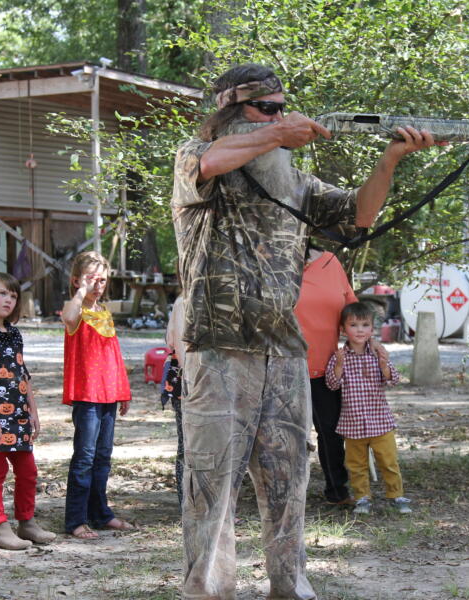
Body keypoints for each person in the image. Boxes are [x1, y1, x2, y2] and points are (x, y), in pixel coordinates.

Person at [172, 63, 443, 599]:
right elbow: (209, 162)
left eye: (282, 107)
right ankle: (206, 592)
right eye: (266, 108)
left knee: (289, 485)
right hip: (219, 349)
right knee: (210, 487)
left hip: (284, 353)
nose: (280, 117)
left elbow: (360, 215)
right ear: (231, 111)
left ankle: (290, 587)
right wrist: (277, 131)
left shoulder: (294, 184)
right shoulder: (195, 157)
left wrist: (391, 158)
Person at [0, 272, 57, 550]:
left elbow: (22, 374)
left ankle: (26, 522)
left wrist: (34, 410)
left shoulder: (14, 334)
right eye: (2, 293)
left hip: (17, 416)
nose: (8, 300)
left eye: (13, 296)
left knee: (28, 470)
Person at [62, 251, 134, 539]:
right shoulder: (76, 311)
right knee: (85, 457)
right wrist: (81, 291)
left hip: (108, 395)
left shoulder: (104, 312)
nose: (98, 284)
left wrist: (123, 390)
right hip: (87, 395)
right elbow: (68, 316)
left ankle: (100, 513)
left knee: (103, 456)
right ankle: (76, 520)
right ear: (77, 279)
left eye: (102, 279)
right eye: (92, 279)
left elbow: (114, 355)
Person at [325, 301, 410, 515]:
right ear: (343, 330)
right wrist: (337, 366)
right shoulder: (339, 356)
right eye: (353, 325)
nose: (360, 330)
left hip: (380, 422)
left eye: (365, 325)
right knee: (356, 465)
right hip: (353, 424)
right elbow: (332, 384)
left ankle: (396, 495)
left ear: (372, 329)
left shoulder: (378, 353)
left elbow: (393, 380)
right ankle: (362, 497)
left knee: (389, 462)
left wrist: (384, 364)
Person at [293, 245, 357, 506]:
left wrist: (369, 344)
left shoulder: (330, 262)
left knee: (330, 431)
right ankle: (281, 495)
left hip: (325, 368)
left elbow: (352, 312)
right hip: (280, 370)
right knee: (281, 435)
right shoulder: (271, 258)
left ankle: (337, 492)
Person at [162, 294, 186, 508]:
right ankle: (188, 503)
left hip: (210, 383)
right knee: (186, 446)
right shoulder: (183, 302)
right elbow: (177, 343)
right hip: (187, 381)